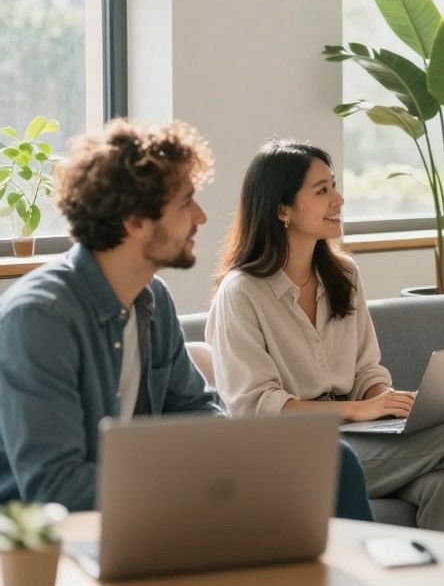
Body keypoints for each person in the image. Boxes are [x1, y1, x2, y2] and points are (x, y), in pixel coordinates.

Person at [0, 120, 372, 520]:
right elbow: (55, 487)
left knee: (333, 461)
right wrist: (192, 485)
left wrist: (247, 463)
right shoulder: (39, 318)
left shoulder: (153, 300)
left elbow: (196, 411)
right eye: (185, 202)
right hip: (51, 534)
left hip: (148, 501)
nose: (201, 216)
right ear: (135, 221)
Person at [206, 140, 444, 540]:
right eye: (321, 190)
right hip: (288, 449)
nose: (338, 199)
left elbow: (366, 370)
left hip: (356, 436)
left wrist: (388, 403)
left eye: (334, 185)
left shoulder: (344, 275)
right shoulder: (242, 293)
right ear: (282, 209)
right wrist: (358, 409)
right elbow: (256, 407)